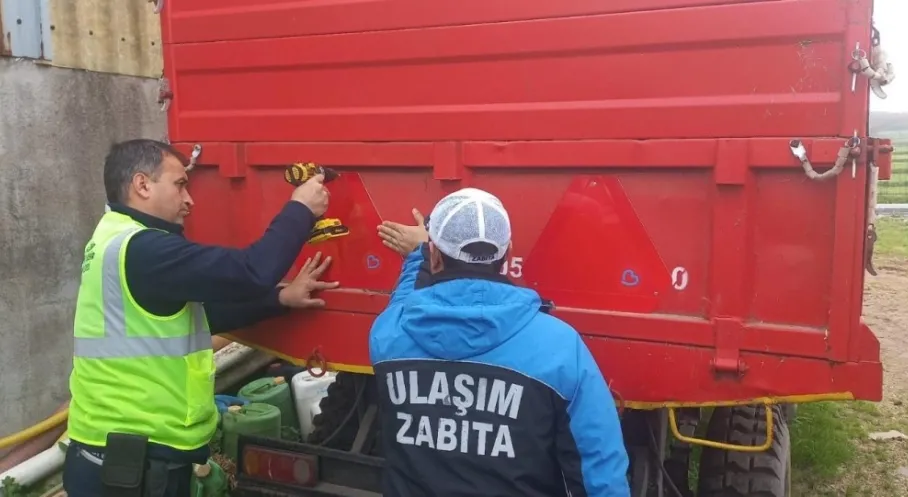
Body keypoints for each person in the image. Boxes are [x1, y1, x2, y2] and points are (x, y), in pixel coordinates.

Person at [63, 139, 339, 497]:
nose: (189, 200)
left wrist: (279, 299)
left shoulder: (114, 239)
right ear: (142, 185)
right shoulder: (145, 250)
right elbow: (252, 271)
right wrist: (301, 208)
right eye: (180, 185)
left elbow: (192, 317)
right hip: (131, 466)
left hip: (120, 457)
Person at [370, 188, 631, 496]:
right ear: (508, 254)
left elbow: (403, 301)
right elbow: (598, 468)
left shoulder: (389, 335)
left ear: (435, 255)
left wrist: (418, 255)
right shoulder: (560, 347)